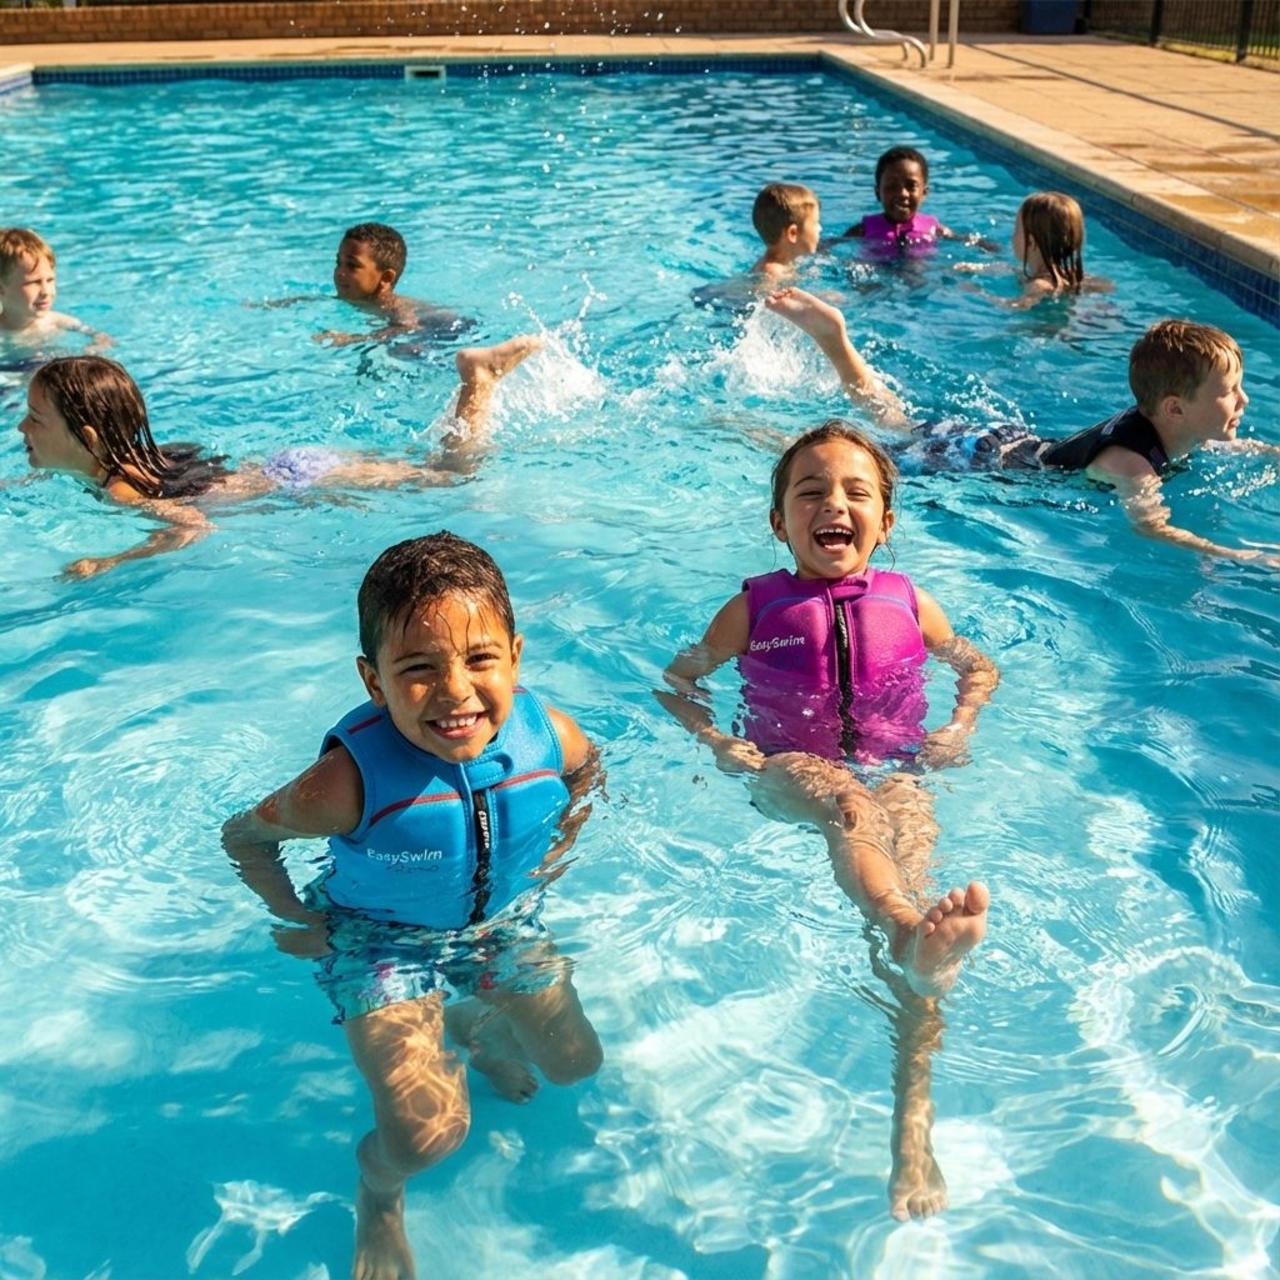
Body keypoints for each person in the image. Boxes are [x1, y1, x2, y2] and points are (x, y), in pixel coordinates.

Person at [222, 532, 602, 1280]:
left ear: (515, 657)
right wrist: (297, 917)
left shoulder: (548, 735)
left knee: (573, 1061)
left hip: (497, 924)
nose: (456, 691)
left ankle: (470, 1024)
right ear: (374, 681)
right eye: (419, 669)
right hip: (377, 942)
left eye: (480, 659)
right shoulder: (342, 785)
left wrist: (558, 853)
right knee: (427, 1134)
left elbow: (588, 773)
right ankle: (379, 1193)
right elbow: (245, 836)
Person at [658, 421, 997, 1218]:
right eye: (810, 492)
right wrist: (716, 741)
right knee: (851, 807)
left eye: (855, 493)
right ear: (779, 522)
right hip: (790, 770)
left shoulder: (911, 601)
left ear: (885, 520)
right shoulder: (752, 608)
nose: (833, 505)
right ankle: (902, 924)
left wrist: (960, 726)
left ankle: (912, 1122)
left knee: (916, 915)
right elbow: (677, 684)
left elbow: (978, 667)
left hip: (898, 767)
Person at [765, 288, 1279, 566]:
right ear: (1175, 409)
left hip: (1010, 440)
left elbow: (1227, 444)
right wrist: (1239, 555)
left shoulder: (1176, 427)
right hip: (985, 463)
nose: (1243, 400)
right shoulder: (1131, 466)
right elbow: (1152, 527)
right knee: (879, 451)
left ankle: (836, 342)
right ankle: (760, 433)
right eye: (1229, 392)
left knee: (895, 420)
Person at [17, 335, 541, 577]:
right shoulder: (125, 461)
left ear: (88, 438)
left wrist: (112, 561)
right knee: (417, 465)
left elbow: (193, 528)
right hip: (290, 465)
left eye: (35, 419)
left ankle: (479, 380)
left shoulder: (122, 489)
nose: (22, 427)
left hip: (301, 481)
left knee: (450, 475)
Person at [262, 222, 470, 347]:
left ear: (386, 278)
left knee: (405, 351)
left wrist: (352, 339)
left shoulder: (394, 307)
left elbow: (407, 327)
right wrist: (282, 304)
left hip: (448, 329)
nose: (340, 272)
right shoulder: (355, 296)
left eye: (352, 266)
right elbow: (321, 299)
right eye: (338, 263)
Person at [958, 192, 1112, 307]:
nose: (1012, 237)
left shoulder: (1038, 285)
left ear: (1031, 242)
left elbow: (1016, 306)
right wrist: (979, 268)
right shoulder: (1075, 275)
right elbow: (1106, 286)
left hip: (1048, 332)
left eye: (1016, 231)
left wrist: (978, 293)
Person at [836, 147, 998, 256]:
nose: (902, 194)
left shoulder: (935, 229)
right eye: (892, 186)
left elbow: (963, 240)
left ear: (924, 193)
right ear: (878, 193)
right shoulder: (863, 230)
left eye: (911, 186)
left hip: (919, 281)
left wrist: (987, 246)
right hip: (875, 278)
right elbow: (830, 246)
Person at [0, 228, 110, 355]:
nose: (46, 292)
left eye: (50, 280)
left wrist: (93, 349)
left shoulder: (57, 321)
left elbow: (102, 337)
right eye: (34, 282)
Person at [751, 183, 823, 284]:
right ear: (793, 233)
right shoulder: (772, 274)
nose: (820, 228)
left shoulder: (784, 262)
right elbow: (765, 294)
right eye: (816, 223)